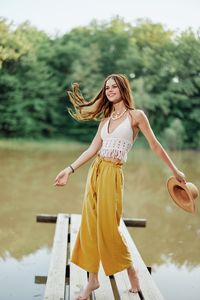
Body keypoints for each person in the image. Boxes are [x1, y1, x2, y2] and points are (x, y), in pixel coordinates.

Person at [54, 74, 186, 300]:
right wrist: (69, 169)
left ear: (123, 88)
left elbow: (155, 146)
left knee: (108, 225)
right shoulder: (105, 120)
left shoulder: (136, 116)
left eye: (114, 86)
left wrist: (175, 171)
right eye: (107, 88)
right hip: (95, 172)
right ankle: (93, 279)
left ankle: (130, 270)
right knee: (89, 225)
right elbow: (91, 149)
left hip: (113, 174)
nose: (110, 90)